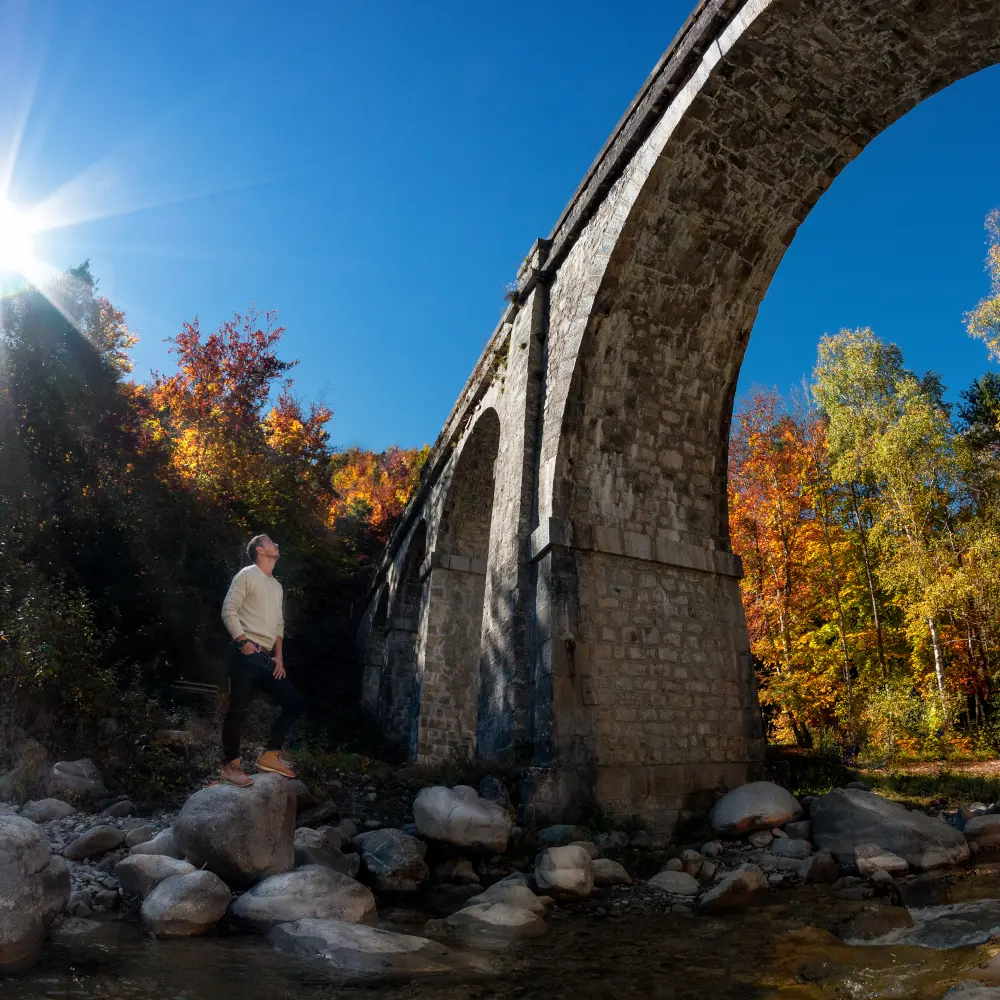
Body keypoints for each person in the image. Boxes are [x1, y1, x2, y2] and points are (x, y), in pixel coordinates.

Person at [219, 533, 303, 786]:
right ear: (259, 550)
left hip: (267, 658)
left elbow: (279, 623)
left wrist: (279, 658)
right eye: (269, 542)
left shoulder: (276, 586)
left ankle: (269, 754)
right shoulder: (247, 575)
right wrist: (243, 643)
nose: (275, 543)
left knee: (293, 703)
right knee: (239, 709)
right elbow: (228, 610)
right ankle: (231, 765)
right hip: (244, 652)